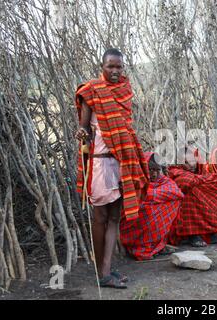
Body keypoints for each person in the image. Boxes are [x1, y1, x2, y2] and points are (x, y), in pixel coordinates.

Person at [75, 48, 149, 288]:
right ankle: (100, 273)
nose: (115, 71)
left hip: (122, 162)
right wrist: (82, 133)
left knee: (115, 217)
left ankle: (107, 269)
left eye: (119, 67)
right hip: (100, 162)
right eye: (110, 66)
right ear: (102, 66)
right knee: (100, 217)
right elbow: (84, 128)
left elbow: (126, 127)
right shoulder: (91, 91)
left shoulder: (125, 91)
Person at [119, 152, 184, 260]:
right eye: (150, 169)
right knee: (147, 211)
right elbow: (134, 196)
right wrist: (153, 199)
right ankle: (141, 247)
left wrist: (149, 197)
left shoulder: (164, 181)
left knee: (170, 204)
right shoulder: (136, 181)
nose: (154, 174)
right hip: (134, 224)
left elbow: (177, 193)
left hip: (155, 224)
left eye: (157, 170)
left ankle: (156, 245)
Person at [167, 148, 217, 247]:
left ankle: (213, 233)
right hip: (183, 203)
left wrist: (209, 180)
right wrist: (213, 179)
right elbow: (187, 181)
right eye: (186, 162)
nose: (191, 165)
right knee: (191, 196)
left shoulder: (201, 171)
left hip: (200, 200)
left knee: (213, 195)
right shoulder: (176, 172)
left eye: (193, 161)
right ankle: (193, 234)